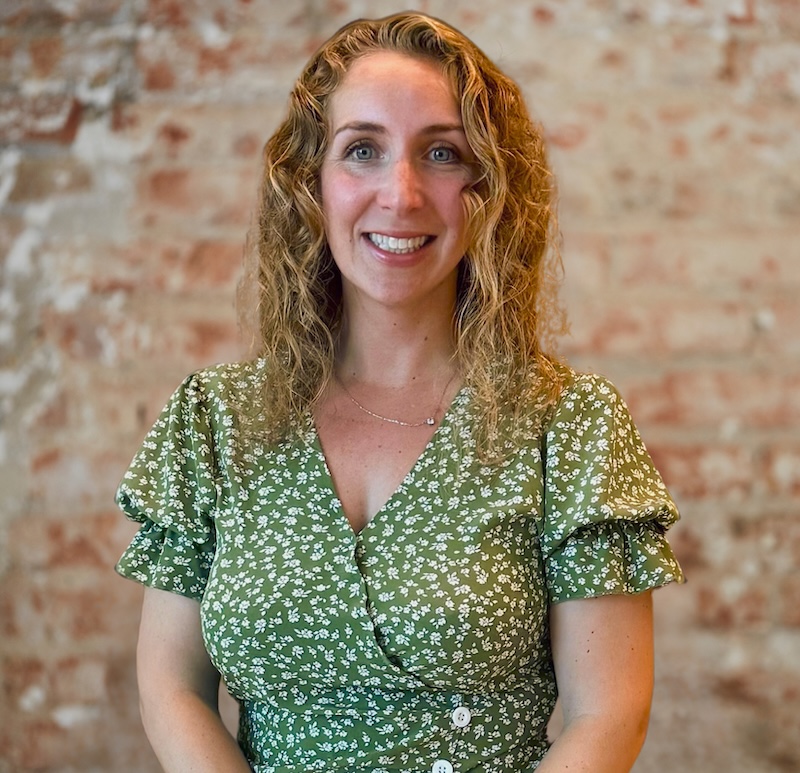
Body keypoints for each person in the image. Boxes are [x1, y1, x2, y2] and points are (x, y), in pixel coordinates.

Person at [115, 11, 684, 773]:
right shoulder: (216, 420)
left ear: (489, 188)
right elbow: (170, 686)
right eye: (363, 150)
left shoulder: (568, 425)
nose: (402, 192)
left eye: (442, 153)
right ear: (311, 182)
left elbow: (607, 715)